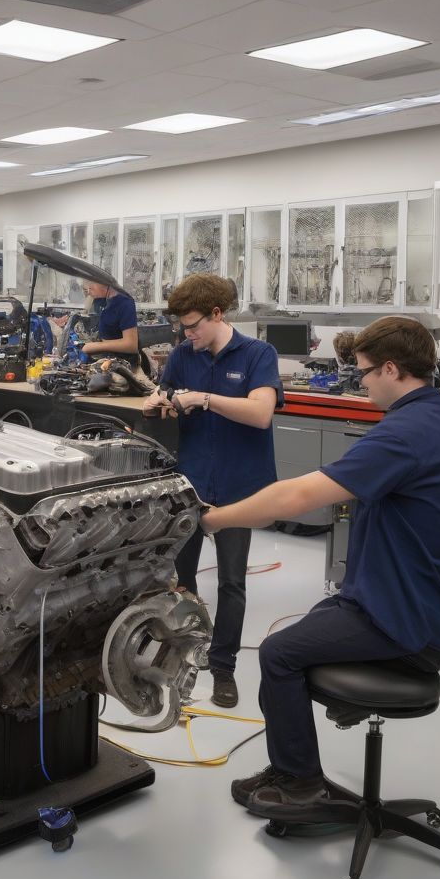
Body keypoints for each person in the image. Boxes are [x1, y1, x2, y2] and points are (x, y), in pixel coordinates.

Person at [201, 317, 440, 810]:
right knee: (292, 639)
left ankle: (299, 781)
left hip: (401, 617)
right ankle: (291, 764)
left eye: (366, 373)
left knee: (278, 654)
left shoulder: (406, 432)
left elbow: (300, 495)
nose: (363, 383)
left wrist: (216, 519)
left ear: (392, 369)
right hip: (401, 597)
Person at [143, 273, 282, 708]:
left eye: (193, 325)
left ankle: (223, 667)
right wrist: (157, 403)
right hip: (189, 486)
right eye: (182, 327)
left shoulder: (259, 354)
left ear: (218, 314)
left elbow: (261, 413)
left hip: (241, 489)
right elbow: (168, 400)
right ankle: (175, 654)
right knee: (176, 580)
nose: (187, 335)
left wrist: (203, 397)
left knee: (232, 583)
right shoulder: (184, 356)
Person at [80, 280, 138, 365]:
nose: (89, 290)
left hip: (123, 362)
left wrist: (95, 346)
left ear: (104, 283)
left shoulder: (125, 302)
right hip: (107, 357)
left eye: (91, 285)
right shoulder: (102, 301)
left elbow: (131, 345)